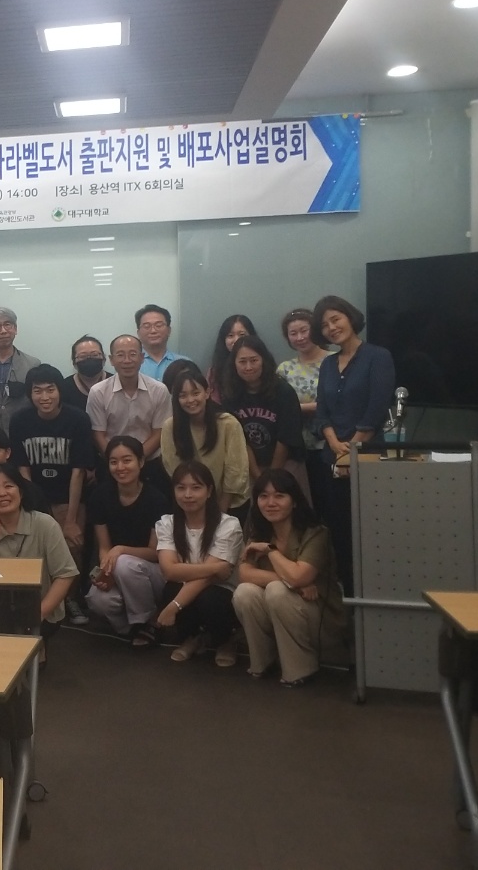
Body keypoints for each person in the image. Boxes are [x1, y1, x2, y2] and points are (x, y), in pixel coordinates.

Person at [312, 294, 396, 595]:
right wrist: (334, 443)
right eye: (325, 325)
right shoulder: (328, 363)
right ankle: (347, 602)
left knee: (371, 534)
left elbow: (376, 409)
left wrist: (351, 450)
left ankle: (373, 599)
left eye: (336, 319)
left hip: (368, 460)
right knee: (340, 535)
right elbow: (322, 413)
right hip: (331, 460)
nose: (331, 328)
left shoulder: (378, 356)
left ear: (350, 317)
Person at [234, 468, 347, 686]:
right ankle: (263, 662)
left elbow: (299, 576)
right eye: (264, 496)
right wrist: (292, 583)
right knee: (244, 593)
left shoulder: (316, 533)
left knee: (277, 591)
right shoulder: (259, 531)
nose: (271, 503)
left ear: (294, 501)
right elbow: (244, 574)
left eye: (279, 496)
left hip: (322, 618)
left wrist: (270, 551)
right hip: (285, 610)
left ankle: (300, 669)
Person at [11, 364, 94, 624]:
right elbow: (22, 468)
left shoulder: (78, 420)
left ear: (60, 391)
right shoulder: (20, 420)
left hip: (69, 497)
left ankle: (70, 599)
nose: (45, 397)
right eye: (38, 391)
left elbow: (79, 472)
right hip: (35, 498)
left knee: (73, 546)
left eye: (50, 390)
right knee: (33, 546)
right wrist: (31, 506)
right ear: (30, 394)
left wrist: (70, 519)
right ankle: (37, 599)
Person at [0, 463, 78, 639]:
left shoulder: (45, 524)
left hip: (41, 613)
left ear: (21, 492)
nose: (2, 493)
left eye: (9, 486)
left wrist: (38, 614)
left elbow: (65, 574)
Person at [154, 460, 244, 664]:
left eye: (196, 488)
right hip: (192, 584)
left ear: (209, 491)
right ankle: (194, 638)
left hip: (222, 590)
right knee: (171, 588)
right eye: (181, 488)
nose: (188, 495)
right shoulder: (167, 523)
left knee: (210, 597)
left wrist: (174, 606)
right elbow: (169, 571)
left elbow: (209, 579)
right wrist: (215, 567)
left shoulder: (228, 525)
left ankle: (226, 640)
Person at [85, 436, 170, 643]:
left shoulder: (156, 499)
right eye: (114, 462)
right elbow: (104, 547)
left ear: (141, 462)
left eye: (127, 460)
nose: (120, 467)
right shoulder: (100, 496)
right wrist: (105, 572)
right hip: (119, 566)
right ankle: (129, 629)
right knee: (97, 599)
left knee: (124, 563)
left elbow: (155, 553)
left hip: (153, 573)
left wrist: (121, 550)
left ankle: (149, 622)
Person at [220, 335, 307, 495]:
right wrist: (258, 477)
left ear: (264, 360)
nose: (248, 367)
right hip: (250, 466)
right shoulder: (230, 395)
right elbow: (240, 440)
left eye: (254, 360)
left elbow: (286, 439)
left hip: (286, 463)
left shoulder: (284, 392)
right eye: (242, 361)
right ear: (234, 364)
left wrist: (271, 476)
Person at [160, 367, 249, 514]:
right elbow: (174, 469)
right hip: (189, 501)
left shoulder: (228, 423)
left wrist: (221, 512)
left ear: (207, 393)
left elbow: (236, 470)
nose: (190, 400)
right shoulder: (170, 426)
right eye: (183, 395)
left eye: (196, 393)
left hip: (228, 503)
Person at [86, 334, 171, 480]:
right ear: (111, 360)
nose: (127, 360)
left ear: (142, 358)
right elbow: (98, 434)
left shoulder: (159, 390)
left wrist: (136, 460)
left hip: (148, 462)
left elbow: (159, 433)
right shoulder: (98, 392)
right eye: (120, 355)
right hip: (111, 464)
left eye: (133, 354)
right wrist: (118, 461)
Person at [276, 308, 330, 510]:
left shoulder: (335, 361)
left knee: (330, 504)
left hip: (330, 445)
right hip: (296, 450)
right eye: (293, 333)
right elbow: (277, 409)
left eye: (304, 330)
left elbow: (338, 404)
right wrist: (312, 407)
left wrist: (296, 409)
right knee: (301, 505)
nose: (299, 337)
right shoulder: (284, 369)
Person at [206, 314, 258, 404]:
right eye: (230, 335)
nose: (236, 340)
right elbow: (214, 405)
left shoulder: (259, 367)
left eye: (242, 335)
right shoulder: (215, 372)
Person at [135, 304, 189, 381]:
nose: (153, 331)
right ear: (138, 333)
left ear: (169, 330)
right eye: (147, 326)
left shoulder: (185, 363)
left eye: (159, 325)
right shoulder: (130, 364)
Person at [61, 335, 110, 412]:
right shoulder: (64, 387)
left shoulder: (116, 384)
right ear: (74, 362)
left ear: (104, 359)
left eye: (95, 355)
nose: (89, 359)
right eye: (82, 356)